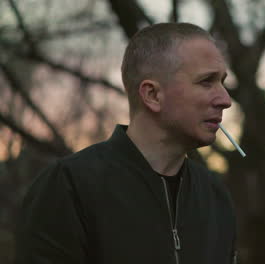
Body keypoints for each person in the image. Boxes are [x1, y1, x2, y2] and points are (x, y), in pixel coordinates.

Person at [15, 22, 237, 264]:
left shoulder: (214, 194)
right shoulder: (70, 186)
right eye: (207, 81)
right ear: (152, 95)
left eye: (222, 82)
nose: (225, 100)